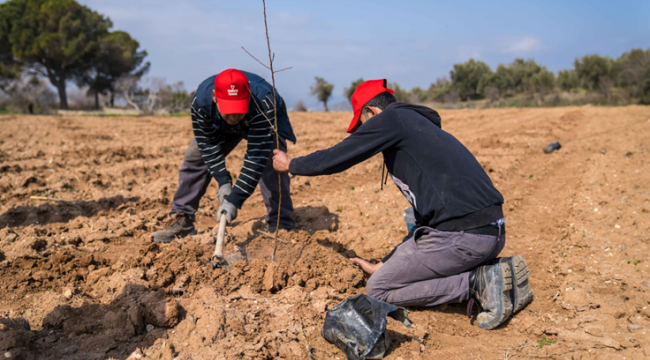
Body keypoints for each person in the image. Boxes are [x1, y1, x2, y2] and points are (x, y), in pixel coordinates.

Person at [272, 79, 533, 330]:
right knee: (388, 273)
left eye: (362, 124)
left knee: (379, 289)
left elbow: (338, 156)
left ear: (371, 111)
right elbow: (426, 222)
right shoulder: (417, 127)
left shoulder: (390, 119)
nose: (364, 132)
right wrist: (385, 263)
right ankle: (498, 273)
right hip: (490, 234)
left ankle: (477, 283)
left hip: (464, 238)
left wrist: (291, 165)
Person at [152, 69, 296, 243]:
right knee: (194, 156)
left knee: (272, 160)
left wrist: (234, 200)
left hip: (261, 118)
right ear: (214, 97)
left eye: (238, 110)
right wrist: (223, 182)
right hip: (219, 123)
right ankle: (183, 217)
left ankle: (280, 222)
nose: (234, 117)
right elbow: (207, 145)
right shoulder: (201, 102)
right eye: (229, 110)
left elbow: (255, 158)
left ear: (249, 96)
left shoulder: (263, 102)